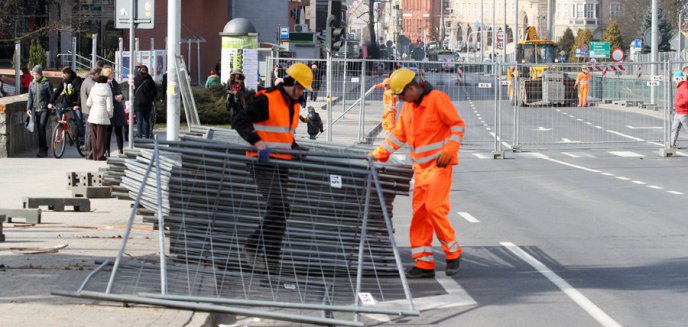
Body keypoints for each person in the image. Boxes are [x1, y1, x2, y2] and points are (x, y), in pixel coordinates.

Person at [368, 68, 465, 279]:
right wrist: (377, 154)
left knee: (434, 209)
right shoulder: (409, 108)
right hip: (420, 170)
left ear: (412, 88)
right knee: (420, 215)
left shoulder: (438, 99)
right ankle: (423, 264)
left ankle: (453, 252)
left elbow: (457, 126)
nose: (401, 99)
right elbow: (397, 136)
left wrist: (449, 150)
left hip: (439, 166)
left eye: (402, 94)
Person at [233, 63, 313, 272]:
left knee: (280, 210)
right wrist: (257, 143)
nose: (302, 93)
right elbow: (239, 120)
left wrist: (296, 148)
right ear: (294, 83)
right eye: (301, 88)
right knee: (279, 207)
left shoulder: (293, 106)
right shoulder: (267, 99)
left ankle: (272, 261)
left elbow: (284, 136)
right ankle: (252, 246)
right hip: (262, 163)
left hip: (281, 163)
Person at [25, 65, 53, 158]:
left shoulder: (46, 83)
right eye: (33, 74)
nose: (35, 76)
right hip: (36, 109)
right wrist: (28, 108)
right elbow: (30, 97)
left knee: (41, 127)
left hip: (45, 108)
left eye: (36, 74)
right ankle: (43, 148)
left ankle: (43, 150)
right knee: (39, 129)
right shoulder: (32, 84)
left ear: (40, 74)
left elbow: (51, 96)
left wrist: (50, 103)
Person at [50, 67, 84, 143]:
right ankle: (62, 126)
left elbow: (79, 93)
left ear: (68, 73)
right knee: (59, 108)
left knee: (79, 120)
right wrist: (51, 102)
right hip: (67, 102)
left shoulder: (76, 80)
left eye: (64, 74)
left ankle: (82, 138)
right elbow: (57, 92)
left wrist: (78, 104)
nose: (62, 75)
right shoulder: (63, 81)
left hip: (76, 103)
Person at [86, 72, 113, 161]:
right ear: (106, 82)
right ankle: (100, 156)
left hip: (93, 114)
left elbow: (88, 103)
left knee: (94, 137)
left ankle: (95, 155)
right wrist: (109, 115)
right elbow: (109, 107)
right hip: (103, 114)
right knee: (101, 137)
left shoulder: (93, 89)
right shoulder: (108, 90)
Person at [103, 67, 126, 155]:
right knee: (108, 132)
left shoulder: (115, 83)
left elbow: (121, 93)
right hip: (109, 110)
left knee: (119, 131)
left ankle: (120, 150)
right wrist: (114, 98)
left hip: (118, 110)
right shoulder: (104, 84)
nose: (113, 74)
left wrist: (121, 96)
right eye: (111, 73)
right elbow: (105, 97)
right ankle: (107, 151)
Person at [80, 67, 102, 159]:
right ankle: (89, 153)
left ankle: (89, 152)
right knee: (90, 133)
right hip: (90, 111)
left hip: (87, 110)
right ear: (96, 74)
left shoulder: (87, 81)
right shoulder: (91, 84)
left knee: (89, 132)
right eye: (100, 74)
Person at [133, 65, 157, 139]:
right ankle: (147, 136)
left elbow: (133, 90)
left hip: (138, 103)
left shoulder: (136, 79)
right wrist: (151, 98)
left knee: (139, 120)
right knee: (147, 120)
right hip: (147, 102)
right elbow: (155, 90)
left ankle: (139, 136)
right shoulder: (150, 80)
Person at [671, 67, 688, 148]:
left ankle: (672, 144)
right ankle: (671, 144)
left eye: (676, 78)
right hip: (679, 112)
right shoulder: (680, 85)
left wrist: (678, 104)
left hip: (684, 112)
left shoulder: (684, 86)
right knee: (674, 128)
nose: (675, 80)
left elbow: (687, 98)